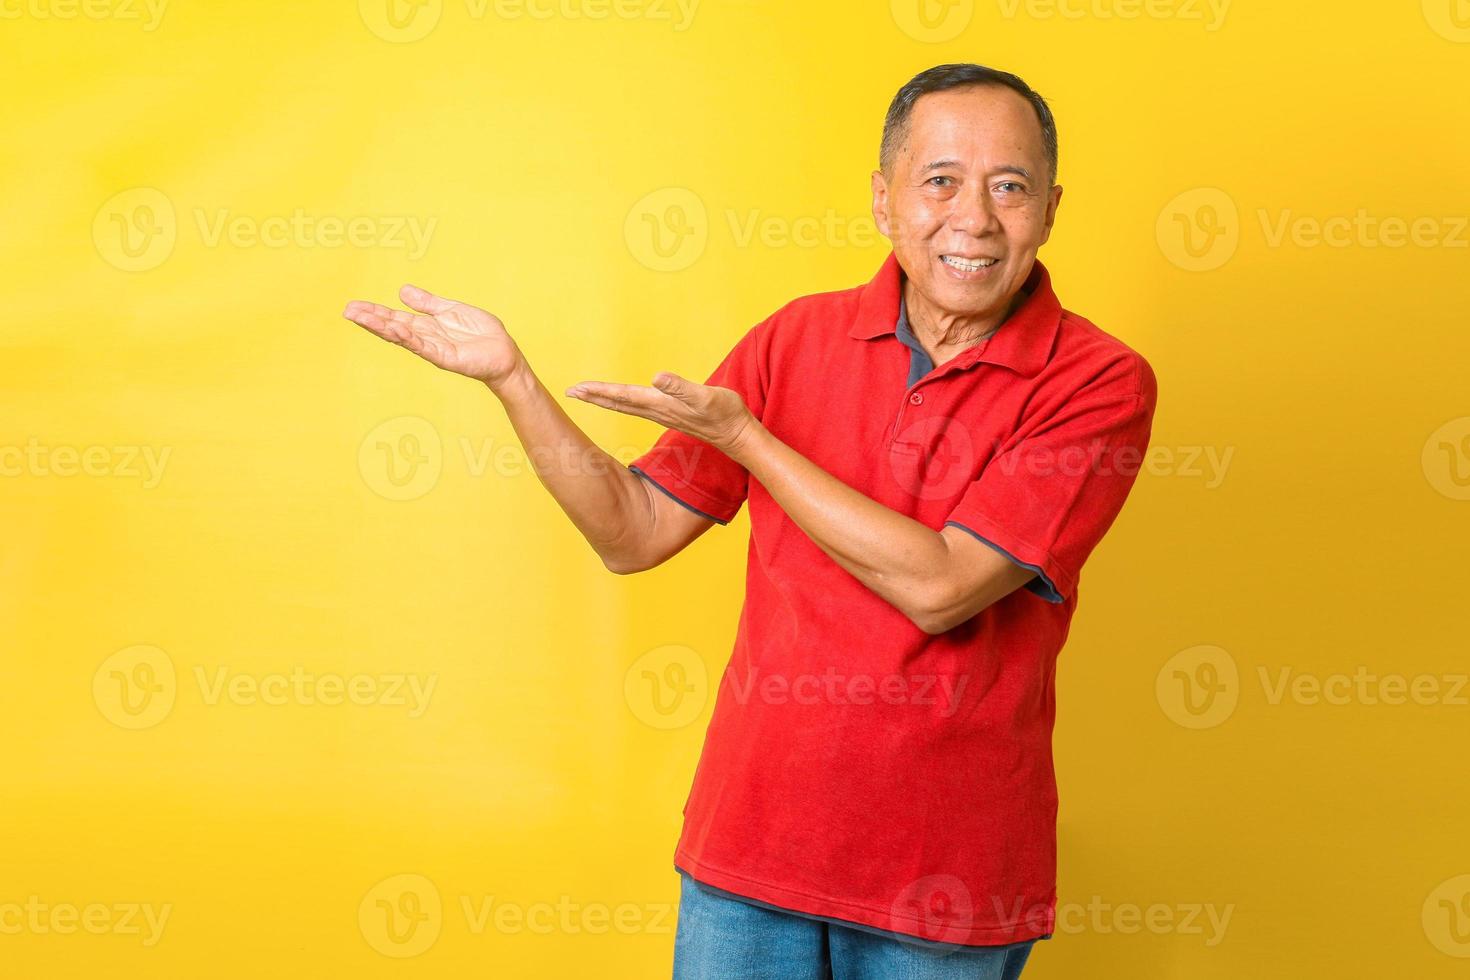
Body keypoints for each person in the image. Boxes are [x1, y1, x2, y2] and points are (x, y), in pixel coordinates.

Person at [341, 62, 1158, 980]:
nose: (973, 217)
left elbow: (944, 588)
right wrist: (512, 381)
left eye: (1008, 187)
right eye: (940, 181)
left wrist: (750, 440)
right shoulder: (794, 338)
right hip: (750, 855)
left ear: (1050, 208)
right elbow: (633, 533)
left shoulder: (1097, 380)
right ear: (885, 201)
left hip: (946, 882)